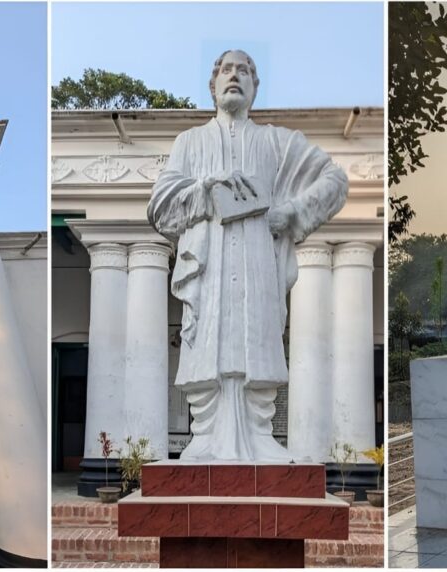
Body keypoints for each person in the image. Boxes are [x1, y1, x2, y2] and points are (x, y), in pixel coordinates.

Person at [148, 49, 348, 461]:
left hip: (259, 266)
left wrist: (292, 212)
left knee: (258, 350)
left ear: (256, 87)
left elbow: (335, 180)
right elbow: (160, 207)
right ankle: (205, 437)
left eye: (244, 70)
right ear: (213, 85)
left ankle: (260, 436)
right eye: (226, 69)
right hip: (210, 269)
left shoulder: (279, 142)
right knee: (209, 349)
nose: (234, 75)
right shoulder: (191, 142)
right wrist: (206, 189)